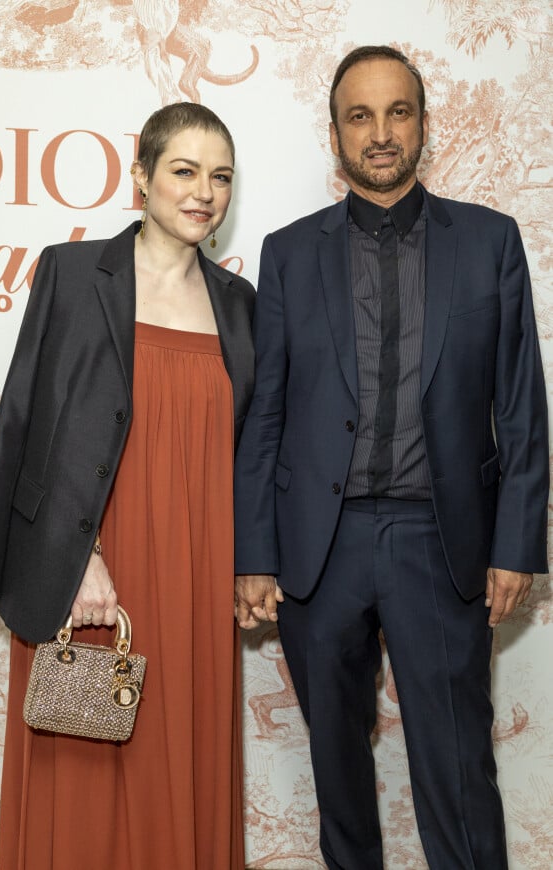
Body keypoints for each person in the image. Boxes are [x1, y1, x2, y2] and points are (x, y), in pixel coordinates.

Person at [233, 45, 548, 869]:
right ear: (335, 131)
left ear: (422, 125)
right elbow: (264, 417)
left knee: (457, 767)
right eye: (360, 116)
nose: (380, 133)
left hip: (439, 544)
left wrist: (517, 543)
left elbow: (518, 404)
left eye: (397, 112)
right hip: (319, 548)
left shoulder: (488, 242)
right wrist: (256, 553)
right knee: (337, 767)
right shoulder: (288, 252)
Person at [0, 102, 255, 870]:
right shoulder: (70, 273)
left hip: (196, 572)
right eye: (184, 171)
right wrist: (79, 558)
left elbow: (252, 452)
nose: (203, 192)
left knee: (179, 753)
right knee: (86, 768)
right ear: (141, 177)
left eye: (220, 176)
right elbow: (28, 420)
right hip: (90, 568)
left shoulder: (241, 307)